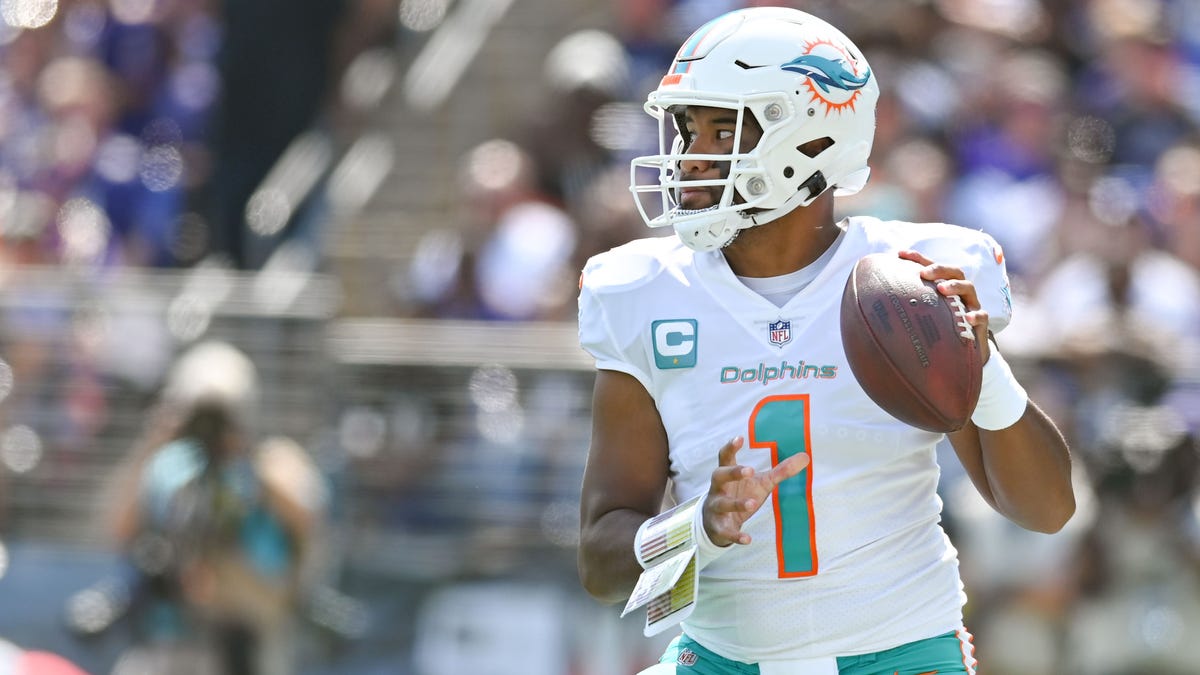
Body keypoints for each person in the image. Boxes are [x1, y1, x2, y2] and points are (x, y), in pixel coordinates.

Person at [576, 8, 1075, 674]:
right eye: (687, 128)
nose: (689, 155)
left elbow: (1046, 509)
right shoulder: (645, 289)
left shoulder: (912, 282)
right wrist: (698, 530)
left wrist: (983, 366)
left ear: (810, 140)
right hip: (719, 659)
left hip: (903, 657)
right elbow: (603, 565)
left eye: (722, 129)